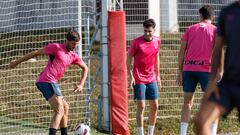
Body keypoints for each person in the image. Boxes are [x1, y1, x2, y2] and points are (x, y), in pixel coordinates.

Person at [8, 30, 88, 135]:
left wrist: (81, 84)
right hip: (45, 81)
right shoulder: (56, 48)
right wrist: (16, 62)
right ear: (67, 41)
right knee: (60, 110)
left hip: (52, 83)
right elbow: (36, 52)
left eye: (76, 44)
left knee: (65, 107)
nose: (75, 46)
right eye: (73, 44)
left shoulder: (73, 55)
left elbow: (85, 68)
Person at [194, 1, 240, 135]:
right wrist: (213, 79)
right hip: (228, 84)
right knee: (201, 121)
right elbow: (217, 49)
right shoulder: (227, 12)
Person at [176, 5, 222, 135]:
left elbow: (181, 53)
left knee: (187, 103)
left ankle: (183, 133)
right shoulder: (215, 30)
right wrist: (221, 70)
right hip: (206, 71)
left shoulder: (190, 29)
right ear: (212, 17)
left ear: (200, 16)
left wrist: (179, 71)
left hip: (189, 69)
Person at [127, 18, 161, 135]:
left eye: (149, 31)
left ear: (154, 30)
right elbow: (129, 58)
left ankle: (150, 132)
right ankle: (141, 133)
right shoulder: (136, 42)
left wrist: (158, 75)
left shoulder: (157, 41)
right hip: (139, 78)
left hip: (151, 78)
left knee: (155, 106)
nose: (147, 33)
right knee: (141, 106)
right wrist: (131, 76)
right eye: (145, 31)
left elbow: (156, 58)